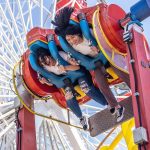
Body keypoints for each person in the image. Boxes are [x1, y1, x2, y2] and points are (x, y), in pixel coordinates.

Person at [52, 7, 127, 122]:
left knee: (120, 70)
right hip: (96, 64)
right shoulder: (72, 48)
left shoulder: (90, 34)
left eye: (73, 37)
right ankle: (116, 107)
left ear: (78, 33)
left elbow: (104, 40)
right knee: (101, 83)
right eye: (69, 40)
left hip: (107, 56)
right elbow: (77, 60)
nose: (72, 41)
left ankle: (139, 90)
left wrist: (97, 47)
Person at [37, 49, 107, 130]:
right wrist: (45, 82)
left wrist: (65, 68)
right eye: (42, 63)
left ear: (48, 55)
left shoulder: (60, 55)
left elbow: (77, 66)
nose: (45, 63)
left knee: (85, 88)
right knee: (68, 97)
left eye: (44, 59)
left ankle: (107, 103)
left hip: (78, 74)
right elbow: (51, 83)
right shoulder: (47, 68)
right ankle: (81, 118)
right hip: (69, 81)